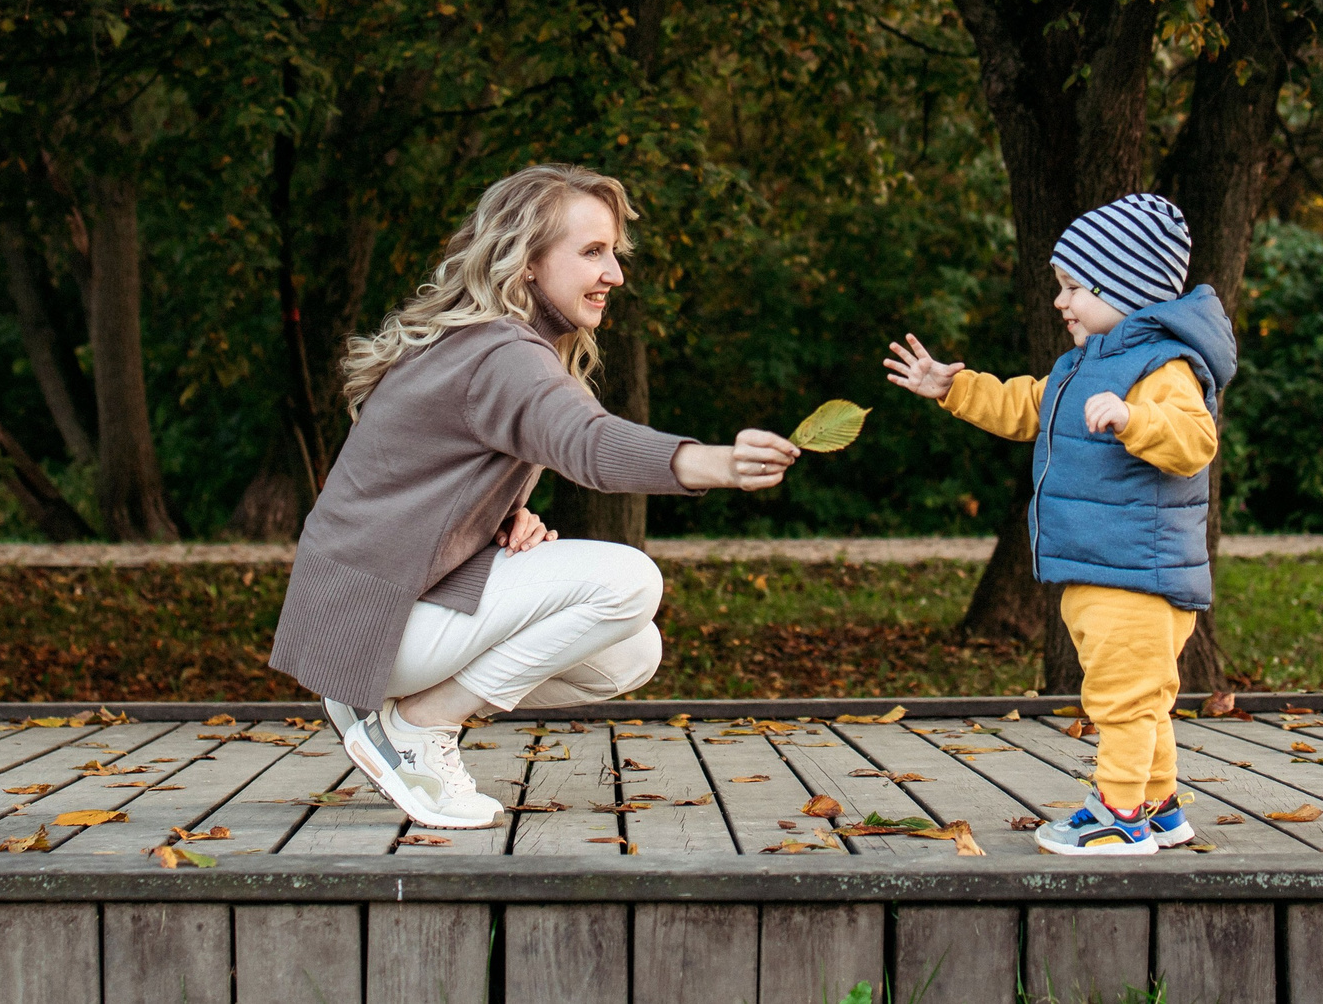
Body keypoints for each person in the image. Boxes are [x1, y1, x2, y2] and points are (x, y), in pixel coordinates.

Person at [269, 164, 802, 829]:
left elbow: (417, 479)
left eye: (613, 253)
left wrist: (499, 515)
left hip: (372, 617)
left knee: (634, 653)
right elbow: (591, 446)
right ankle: (414, 727)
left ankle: (390, 712)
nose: (615, 274)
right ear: (526, 263)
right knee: (630, 580)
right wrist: (713, 462)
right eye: (591, 252)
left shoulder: (482, 346)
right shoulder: (502, 353)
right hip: (371, 621)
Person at [885, 192, 1236, 857]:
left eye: (1074, 287)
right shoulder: (1084, 366)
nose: (1060, 301)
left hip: (1137, 571)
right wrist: (952, 388)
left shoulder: (1163, 370)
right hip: (1103, 566)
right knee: (1142, 697)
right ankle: (1158, 804)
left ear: (1126, 288)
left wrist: (1137, 423)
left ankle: (1119, 814)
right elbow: (1025, 404)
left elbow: (1195, 441)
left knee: (1121, 701)